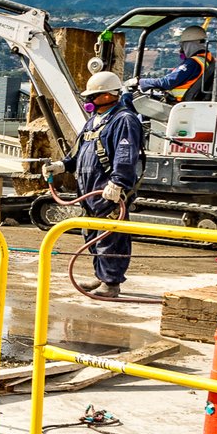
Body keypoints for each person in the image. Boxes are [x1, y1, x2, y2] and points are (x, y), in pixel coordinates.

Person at [71, 69, 144, 300]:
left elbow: (125, 154)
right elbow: (79, 151)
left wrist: (118, 183)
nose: (89, 100)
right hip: (90, 190)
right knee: (92, 235)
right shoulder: (94, 121)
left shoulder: (123, 119)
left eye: (94, 95)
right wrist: (63, 165)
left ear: (108, 95)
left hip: (108, 190)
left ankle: (111, 282)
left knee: (110, 237)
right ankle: (100, 275)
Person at [133, 24, 216, 104]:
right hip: (187, 102)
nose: (181, 49)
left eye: (182, 45)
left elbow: (167, 82)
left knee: (129, 97)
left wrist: (141, 82)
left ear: (189, 44)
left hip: (176, 103)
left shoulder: (192, 63)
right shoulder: (209, 60)